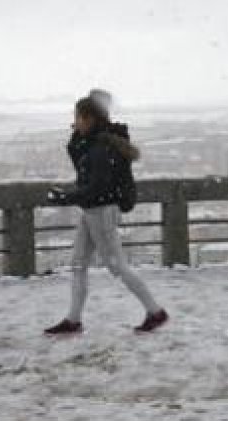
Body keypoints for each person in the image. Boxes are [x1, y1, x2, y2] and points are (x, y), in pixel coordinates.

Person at [43, 94, 168, 335]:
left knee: (117, 266)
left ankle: (156, 312)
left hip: (101, 210)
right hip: (92, 209)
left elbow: (98, 186)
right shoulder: (94, 142)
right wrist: (78, 136)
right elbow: (81, 165)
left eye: (78, 117)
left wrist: (67, 197)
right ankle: (73, 320)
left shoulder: (101, 147)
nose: (75, 122)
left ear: (89, 119)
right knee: (78, 263)